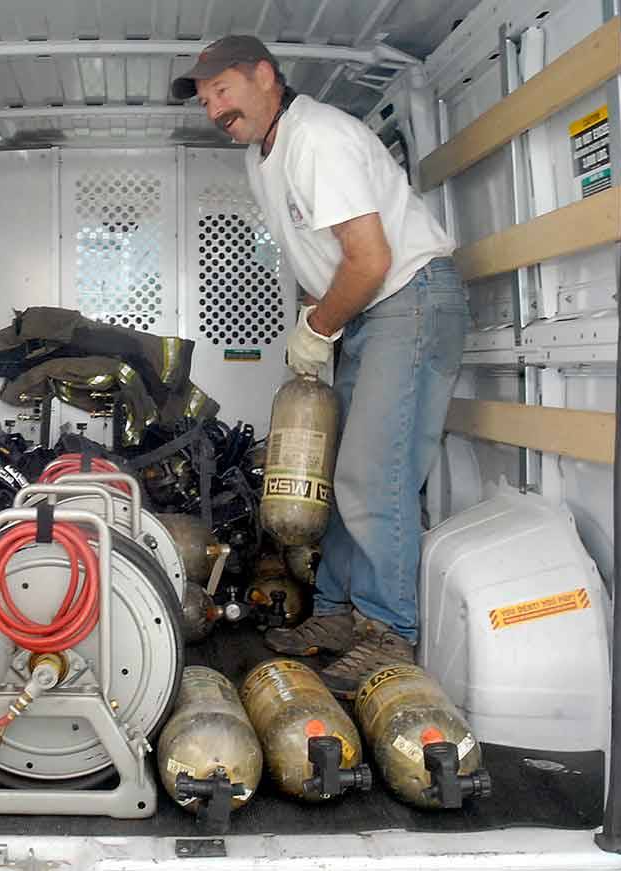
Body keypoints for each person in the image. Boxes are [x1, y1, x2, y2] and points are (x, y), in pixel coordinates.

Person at [172, 36, 469, 698]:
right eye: (205, 99)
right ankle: (335, 613)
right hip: (368, 311)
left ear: (266, 77)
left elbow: (368, 257)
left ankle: (389, 632)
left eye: (223, 90)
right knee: (338, 473)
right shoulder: (263, 155)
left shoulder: (316, 139)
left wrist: (318, 326)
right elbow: (324, 261)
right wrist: (318, 319)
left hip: (408, 299)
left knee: (373, 473)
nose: (214, 108)